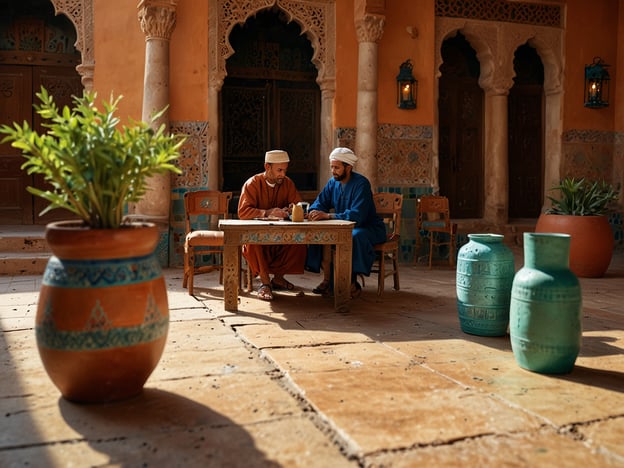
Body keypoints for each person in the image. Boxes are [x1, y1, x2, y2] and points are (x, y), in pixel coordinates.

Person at [306, 147, 387, 298]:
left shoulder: (361, 184)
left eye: (336, 167)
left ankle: (351, 282)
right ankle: (328, 280)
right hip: (342, 226)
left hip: (367, 227)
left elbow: (358, 216)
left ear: (348, 167)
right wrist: (314, 212)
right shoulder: (332, 183)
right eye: (331, 167)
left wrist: (328, 216)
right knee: (320, 233)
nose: (333, 170)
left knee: (354, 237)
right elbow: (320, 202)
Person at [238, 150, 307, 301]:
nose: (283, 174)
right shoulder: (253, 184)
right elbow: (243, 211)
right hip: (258, 237)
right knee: (252, 242)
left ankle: (278, 278)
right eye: (279, 170)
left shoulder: (287, 183)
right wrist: (267, 212)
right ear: (267, 167)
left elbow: (298, 205)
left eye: (285, 170)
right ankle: (265, 283)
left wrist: (290, 211)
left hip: (281, 235)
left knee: (299, 241)